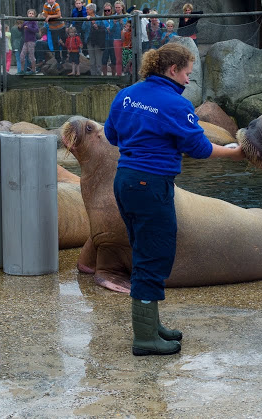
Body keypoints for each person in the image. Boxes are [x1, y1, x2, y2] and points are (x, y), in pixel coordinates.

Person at [104, 43, 245, 356]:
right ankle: (144, 338)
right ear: (172, 70)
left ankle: (151, 325)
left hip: (125, 182)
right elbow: (200, 149)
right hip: (151, 185)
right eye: (187, 74)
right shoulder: (175, 105)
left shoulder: (126, 95)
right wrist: (235, 153)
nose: (187, 80)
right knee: (154, 255)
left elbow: (112, 136)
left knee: (143, 249)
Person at [43, 0, 66, 67]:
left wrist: (50, 16)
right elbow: (45, 14)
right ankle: (58, 59)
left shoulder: (56, 5)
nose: (50, 1)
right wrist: (50, 16)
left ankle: (65, 57)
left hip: (60, 26)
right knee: (55, 43)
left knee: (64, 41)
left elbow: (59, 15)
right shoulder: (46, 5)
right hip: (52, 27)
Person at [84, 3, 105, 75]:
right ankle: (93, 75)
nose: (86, 10)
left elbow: (103, 29)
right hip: (90, 41)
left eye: (87, 9)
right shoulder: (86, 18)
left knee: (98, 59)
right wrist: (87, 21)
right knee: (92, 60)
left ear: (92, 10)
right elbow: (83, 28)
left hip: (98, 41)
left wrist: (97, 26)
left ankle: (99, 74)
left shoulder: (99, 18)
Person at [20, 9, 38, 74]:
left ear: (34, 15)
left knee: (31, 55)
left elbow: (36, 30)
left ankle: (33, 70)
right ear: (27, 14)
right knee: (22, 55)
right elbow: (21, 29)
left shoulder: (34, 22)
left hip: (31, 40)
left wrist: (29, 28)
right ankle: (22, 70)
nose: (31, 15)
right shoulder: (26, 22)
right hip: (26, 40)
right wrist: (20, 27)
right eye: (30, 13)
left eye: (32, 14)